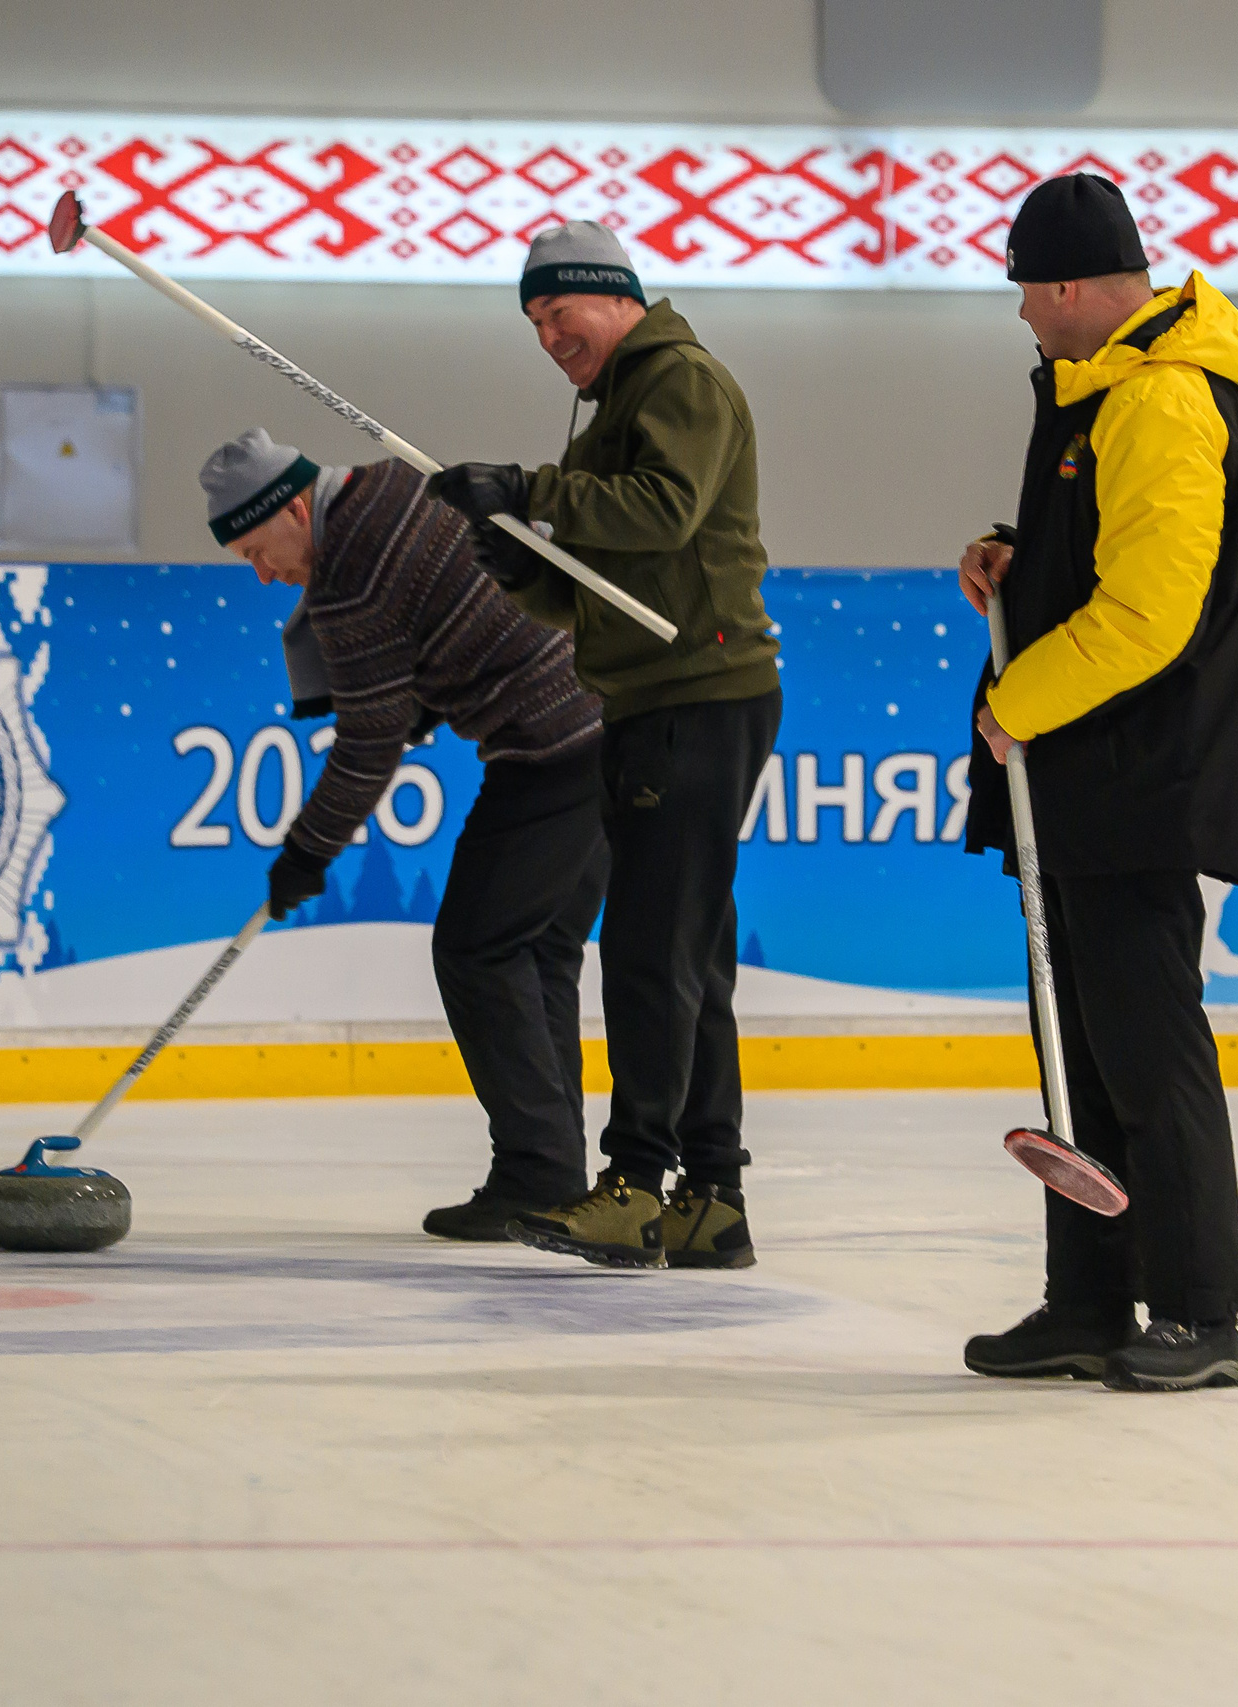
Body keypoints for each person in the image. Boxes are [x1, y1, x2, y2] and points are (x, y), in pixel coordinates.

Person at [953, 174, 1238, 1391]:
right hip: (1089, 782)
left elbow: (1149, 612)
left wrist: (1017, 704)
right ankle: (1089, 1300)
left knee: (1147, 1053)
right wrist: (1019, 555)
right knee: (1084, 1054)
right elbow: (1107, 556)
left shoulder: (1160, 397)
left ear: (1065, 287)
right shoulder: (1101, 391)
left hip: (1138, 777)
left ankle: (1200, 1314)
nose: (1021, 317)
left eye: (1024, 294)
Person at [424, 222, 780, 1271]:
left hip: (697, 697)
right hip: (650, 698)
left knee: (648, 953)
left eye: (558, 311)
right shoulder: (614, 407)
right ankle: (711, 1198)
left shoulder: (678, 381)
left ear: (615, 294)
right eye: (533, 322)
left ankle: (634, 1185)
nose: (548, 337)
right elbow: (591, 586)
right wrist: (516, 560)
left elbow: (663, 513)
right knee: (689, 955)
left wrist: (530, 490)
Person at [202, 429, 608, 1239]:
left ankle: (539, 1171)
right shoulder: (394, 484)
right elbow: (447, 611)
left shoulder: (347, 574)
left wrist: (305, 853)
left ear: (293, 509)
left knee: (476, 947)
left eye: (256, 551)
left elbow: (368, 747)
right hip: (610, 719)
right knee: (535, 951)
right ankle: (553, 1170)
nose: (263, 574)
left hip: (552, 747)